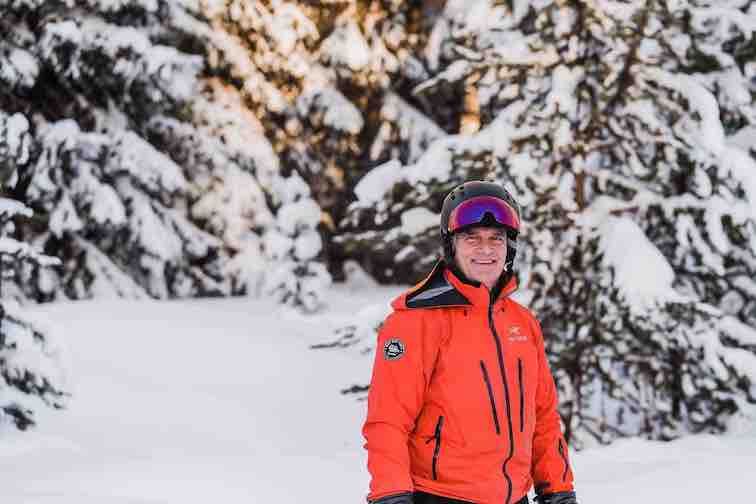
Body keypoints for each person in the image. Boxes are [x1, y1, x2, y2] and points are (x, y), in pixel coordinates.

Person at [362, 181, 578, 504]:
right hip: (439, 496)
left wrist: (558, 489)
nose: (485, 249)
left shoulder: (522, 323)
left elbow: (544, 418)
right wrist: (391, 495)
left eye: (496, 238)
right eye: (471, 238)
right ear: (451, 245)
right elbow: (387, 422)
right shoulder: (415, 321)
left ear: (509, 247)